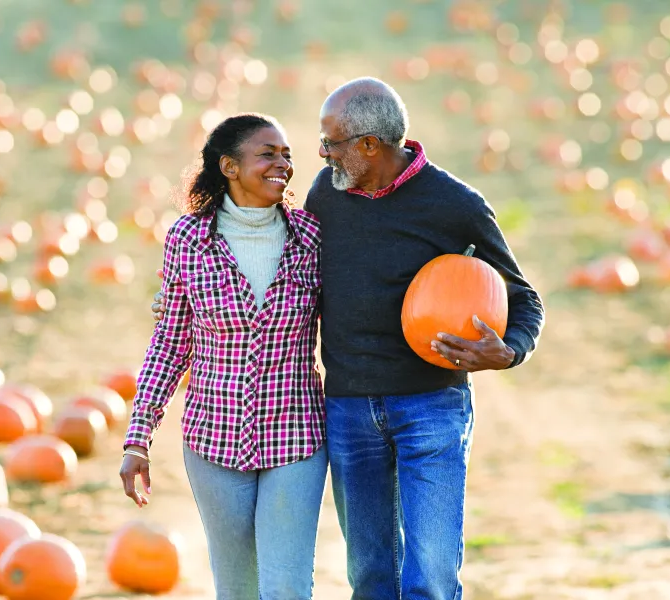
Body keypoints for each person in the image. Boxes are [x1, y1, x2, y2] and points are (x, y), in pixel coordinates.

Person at [153, 77, 545, 600]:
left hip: (430, 405)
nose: (320, 153)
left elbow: (524, 297)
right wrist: (190, 294)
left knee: (430, 572)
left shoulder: (454, 205)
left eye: (331, 142)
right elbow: (276, 252)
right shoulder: (326, 194)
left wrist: (510, 349)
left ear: (369, 145)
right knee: (370, 573)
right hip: (348, 409)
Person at [120, 113, 328, 600]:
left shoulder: (311, 239)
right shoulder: (187, 241)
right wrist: (138, 439)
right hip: (214, 440)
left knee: (286, 588)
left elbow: (350, 315)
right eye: (268, 154)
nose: (284, 164)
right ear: (229, 166)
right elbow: (168, 347)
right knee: (237, 588)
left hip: (297, 436)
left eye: (287, 155)